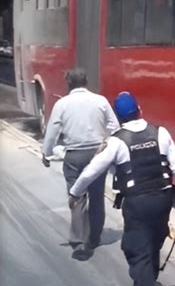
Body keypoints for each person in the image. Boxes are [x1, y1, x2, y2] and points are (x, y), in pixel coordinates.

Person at [68, 91, 175, 286]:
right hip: (163, 200)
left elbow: (92, 170)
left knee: (137, 252)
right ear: (139, 109)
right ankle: (147, 282)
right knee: (153, 243)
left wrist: (75, 192)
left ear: (119, 115)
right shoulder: (161, 132)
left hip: (137, 203)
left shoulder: (116, 141)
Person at [42, 68, 120, 260]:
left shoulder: (62, 104)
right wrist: (106, 144)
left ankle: (78, 238)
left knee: (76, 197)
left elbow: (52, 131)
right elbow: (115, 127)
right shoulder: (100, 101)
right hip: (97, 154)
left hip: (74, 155)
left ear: (68, 84)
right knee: (96, 197)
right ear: (86, 82)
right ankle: (93, 237)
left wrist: (46, 153)